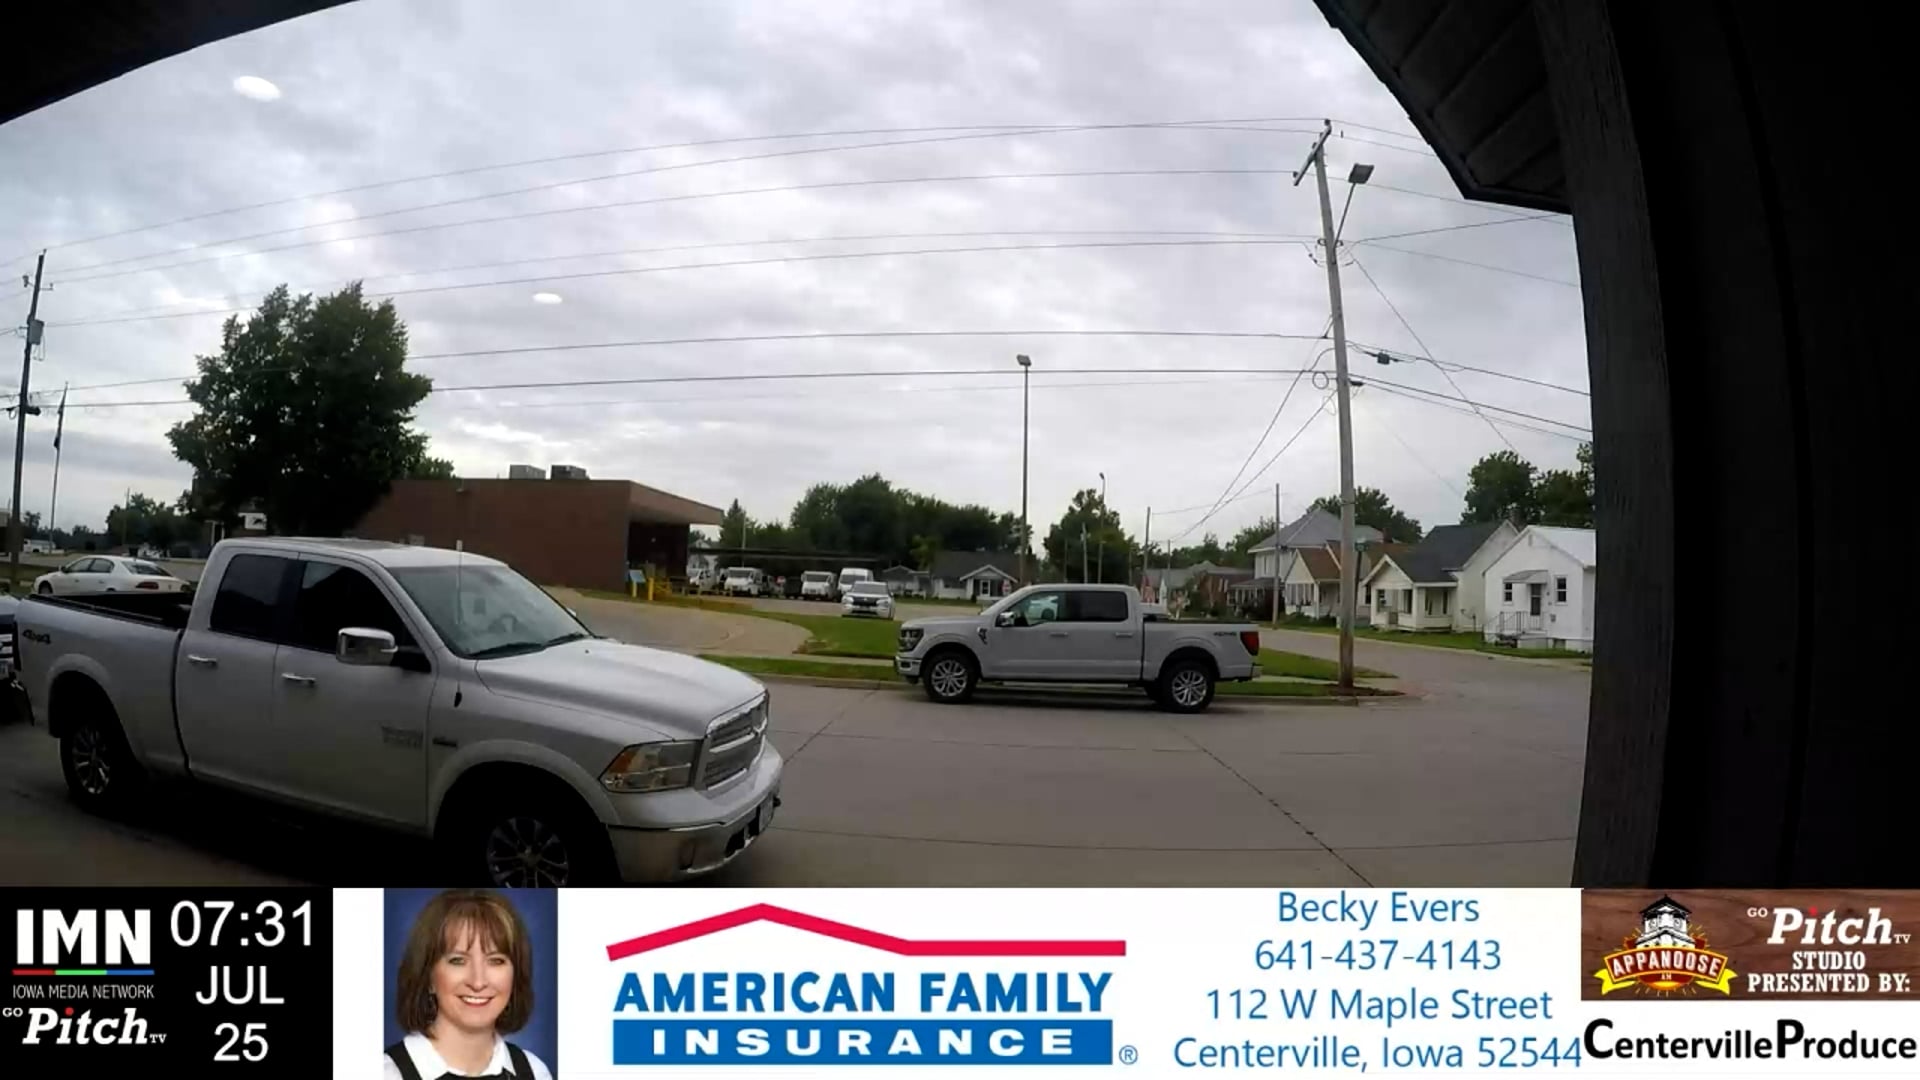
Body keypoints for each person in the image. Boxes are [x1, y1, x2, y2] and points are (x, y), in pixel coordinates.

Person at [384, 889, 554, 1080]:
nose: (478, 982)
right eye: (458, 960)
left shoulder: (534, 1072)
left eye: (496, 960)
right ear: (428, 976)